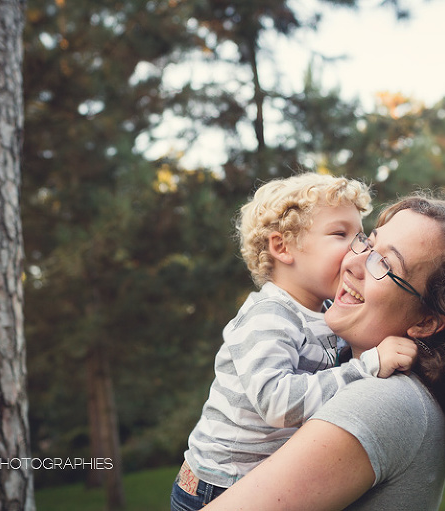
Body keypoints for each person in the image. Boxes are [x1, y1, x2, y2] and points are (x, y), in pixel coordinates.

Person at [204, 194, 445, 511]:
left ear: (427, 322)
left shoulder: (381, 401)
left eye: (384, 264)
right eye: (368, 243)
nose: (352, 262)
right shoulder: (381, 382)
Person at [170, 174, 419, 511]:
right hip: (218, 486)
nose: (357, 249)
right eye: (340, 234)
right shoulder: (269, 316)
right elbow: (278, 403)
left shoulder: (325, 310)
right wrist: (369, 365)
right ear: (282, 247)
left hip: (263, 479)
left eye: (360, 236)